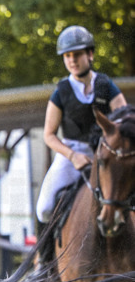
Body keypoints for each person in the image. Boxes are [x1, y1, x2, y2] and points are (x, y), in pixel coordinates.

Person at [36, 25, 126, 225]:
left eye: (77, 54)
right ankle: (43, 256)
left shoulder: (106, 86)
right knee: (44, 208)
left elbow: (124, 123)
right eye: (67, 56)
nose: (72, 60)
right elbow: (49, 135)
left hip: (106, 153)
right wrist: (72, 155)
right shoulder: (61, 92)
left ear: (90, 54)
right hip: (72, 155)